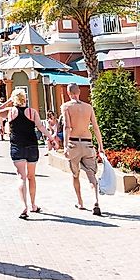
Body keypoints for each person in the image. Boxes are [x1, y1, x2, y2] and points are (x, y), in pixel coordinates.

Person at [0, 88, 49, 219]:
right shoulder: (32, 112)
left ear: (14, 99)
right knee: (32, 177)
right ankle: (34, 205)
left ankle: (23, 206)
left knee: (21, 177)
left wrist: (8, 102)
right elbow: (41, 127)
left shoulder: (10, 111)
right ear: (25, 98)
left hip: (17, 146)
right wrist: (51, 138)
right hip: (32, 146)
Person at [61, 84, 106, 216]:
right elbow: (96, 127)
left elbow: (67, 127)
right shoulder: (88, 107)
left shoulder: (66, 107)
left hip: (73, 143)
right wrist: (101, 146)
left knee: (75, 175)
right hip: (88, 143)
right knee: (92, 176)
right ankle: (95, 201)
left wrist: (64, 146)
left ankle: (80, 202)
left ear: (69, 93)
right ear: (79, 92)